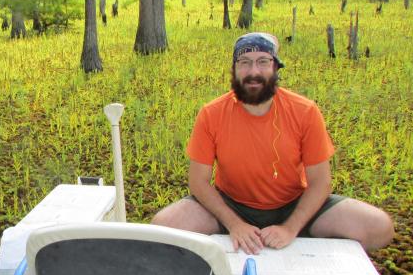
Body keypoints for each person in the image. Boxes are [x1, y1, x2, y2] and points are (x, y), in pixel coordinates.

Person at [151, 32, 394, 254]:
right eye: (244, 62)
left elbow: (321, 182)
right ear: (234, 69)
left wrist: (290, 228)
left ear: (276, 67)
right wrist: (235, 224)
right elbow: (199, 182)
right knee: (163, 227)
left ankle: (301, 238)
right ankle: (234, 236)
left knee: (379, 226)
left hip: (292, 205)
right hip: (231, 205)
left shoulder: (305, 111)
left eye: (263, 62)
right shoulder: (211, 114)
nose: (253, 71)